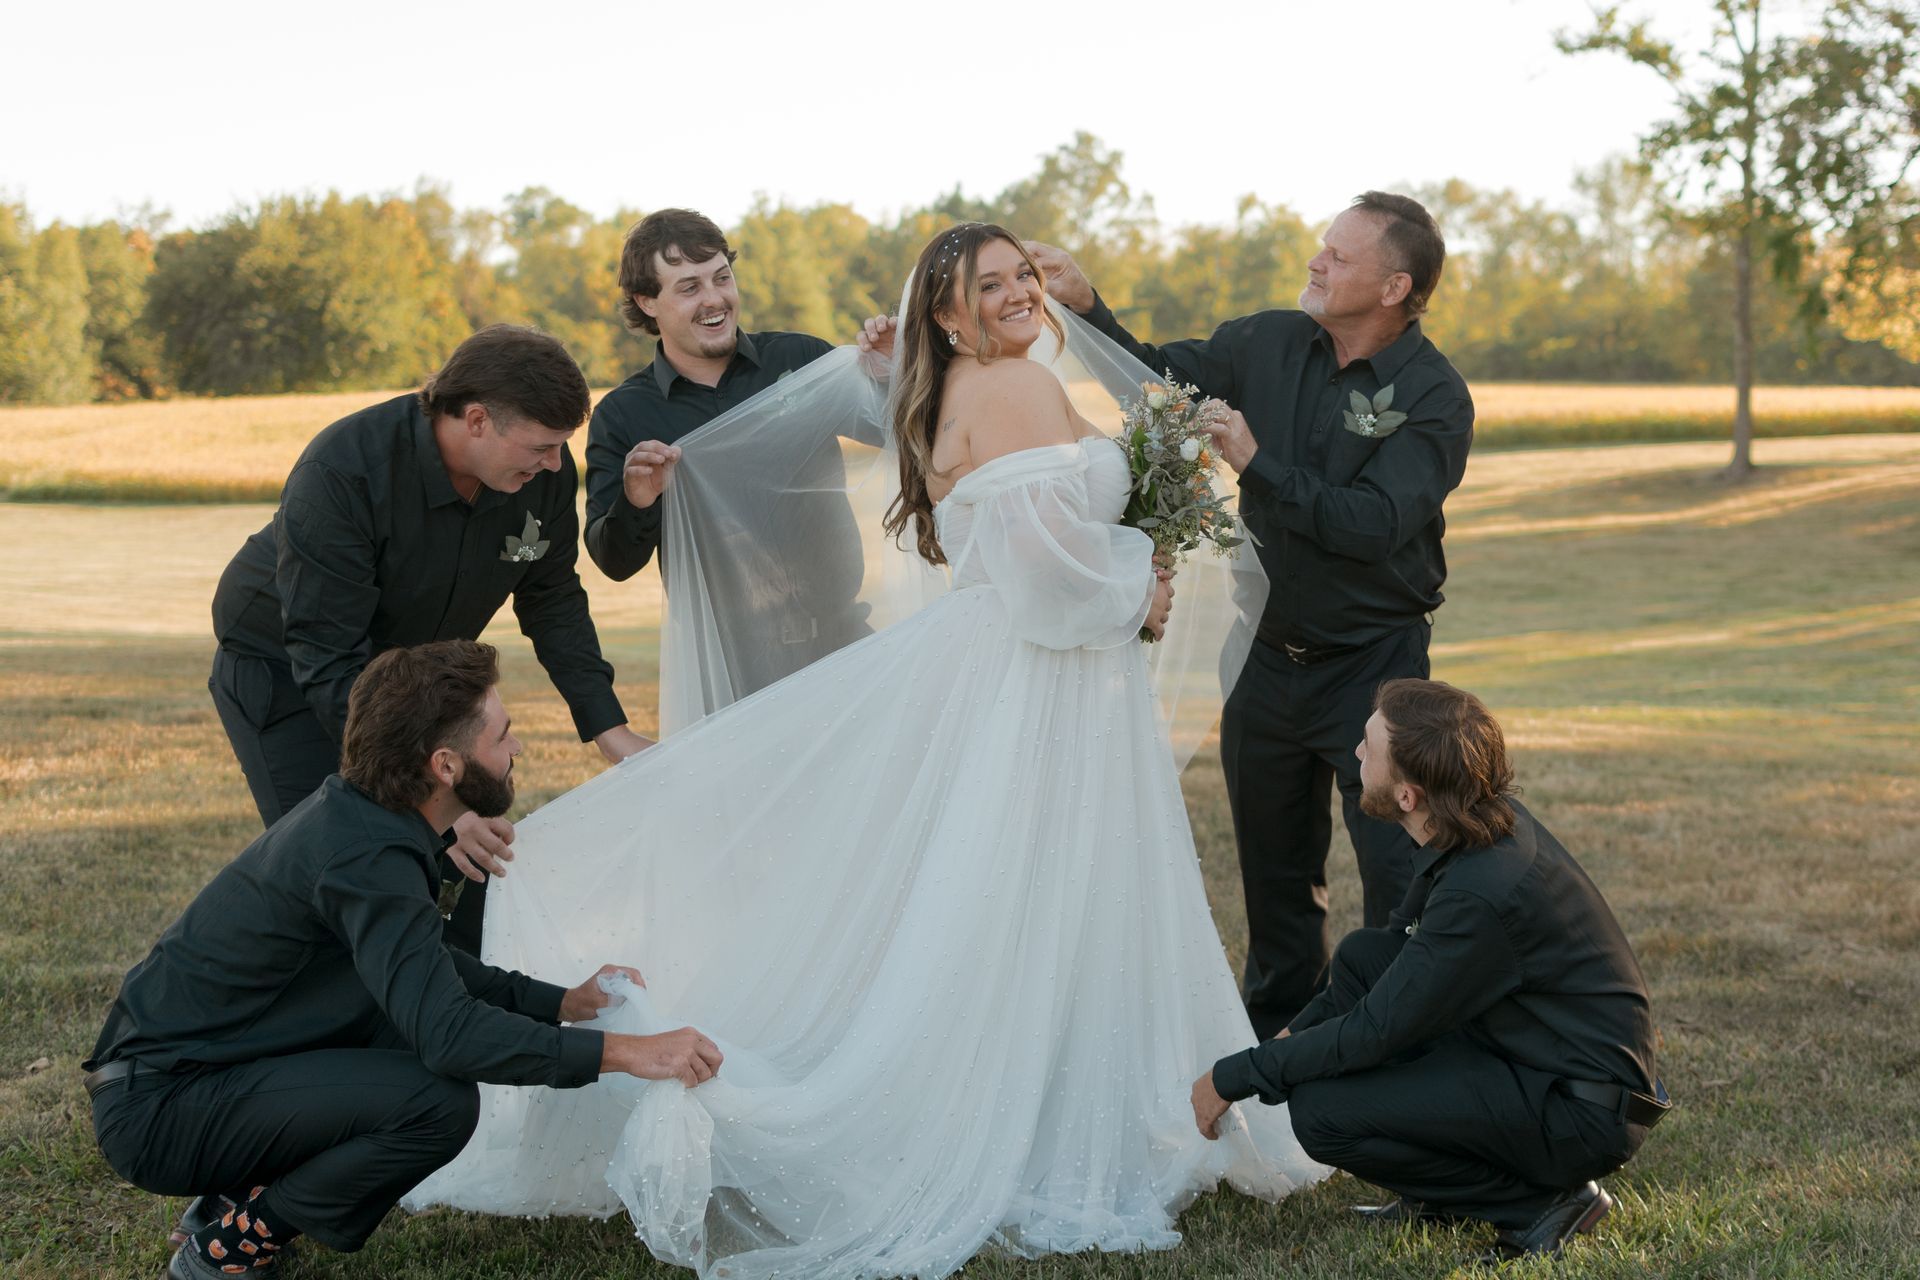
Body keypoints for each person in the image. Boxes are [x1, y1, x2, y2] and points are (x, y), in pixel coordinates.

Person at [407, 223, 1326, 1278]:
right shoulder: (652, 412)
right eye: (990, 283)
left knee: (998, 885)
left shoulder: (868, 368)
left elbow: (928, 443)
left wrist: (898, 370)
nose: (1021, 292)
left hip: (959, 653)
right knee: (1019, 884)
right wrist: (1139, 585)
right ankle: (997, 1100)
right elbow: (1044, 572)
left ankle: (1023, 1080)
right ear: (647, 304)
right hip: (1030, 662)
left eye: (1024, 273)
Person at [85, 640, 721, 1279]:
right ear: (446, 766)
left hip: (186, 1078)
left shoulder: (364, 821)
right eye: (504, 735)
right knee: (435, 1105)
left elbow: (427, 970)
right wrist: (629, 1054)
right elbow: (451, 1036)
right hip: (161, 1109)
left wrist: (562, 1002)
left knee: (399, 1023)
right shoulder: (369, 857)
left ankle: (231, 1195)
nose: (517, 749)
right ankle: (229, 1245)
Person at [1028, 193, 1474, 1037]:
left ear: (1393, 287)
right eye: (1322, 248)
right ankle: (1277, 1038)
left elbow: (1373, 525)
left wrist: (1257, 464)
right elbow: (1158, 382)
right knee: (1273, 875)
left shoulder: (1434, 396)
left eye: (1339, 257)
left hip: (1373, 669)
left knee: (1394, 870)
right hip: (1266, 657)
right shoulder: (1266, 340)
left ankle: (1390, 1036)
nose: (1317, 263)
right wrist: (1086, 308)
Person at [1189, 679, 1669, 1262]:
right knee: (1366, 954)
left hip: (1578, 1110)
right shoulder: (1474, 820)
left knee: (1322, 1115)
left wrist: (1236, 1075)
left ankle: (1540, 1207)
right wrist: (1290, 1041)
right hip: (1532, 1056)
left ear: (1408, 795)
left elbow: (1372, 1032)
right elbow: (1388, 956)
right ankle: (1437, 1191)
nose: (1357, 753)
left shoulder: (1480, 894)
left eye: (1370, 747)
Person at [209, 325, 651, 949]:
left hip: (412, 685)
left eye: (561, 447)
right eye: (542, 447)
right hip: (288, 672)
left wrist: (610, 730)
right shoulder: (344, 469)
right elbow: (329, 662)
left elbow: (551, 598)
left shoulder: (539, 476)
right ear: (476, 421)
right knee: (346, 863)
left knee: (462, 858)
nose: (556, 465)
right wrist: (432, 801)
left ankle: (453, 1006)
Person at [584, 209, 872, 687]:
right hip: (728, 674)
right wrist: (637, 500)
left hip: (848, 646)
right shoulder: (623, 416)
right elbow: (613, 562)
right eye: (689, 287)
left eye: (722, 278)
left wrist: (891, 371)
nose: (714, 298)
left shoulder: (802, 360)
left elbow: (905, 432)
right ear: (647, 302)